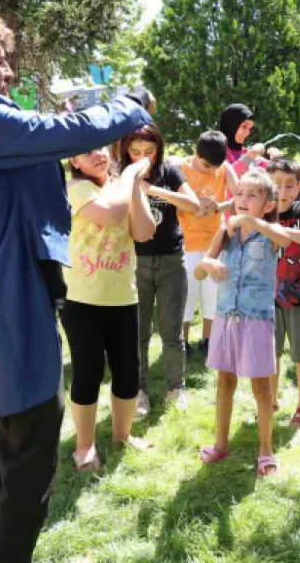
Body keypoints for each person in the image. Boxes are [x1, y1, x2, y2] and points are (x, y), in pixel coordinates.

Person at [0, 6, 152, 563]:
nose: (10, 73)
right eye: (2, 62)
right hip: (12, 301)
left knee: (2, 441)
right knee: (30, 462)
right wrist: (129, 106)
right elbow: (60, 132)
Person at [62, 144, 158, 472]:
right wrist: (131, 174)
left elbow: (144, 232)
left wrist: (129, 185)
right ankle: (84, 446)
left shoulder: (122, 186)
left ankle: (122, 435)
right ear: (74, 160)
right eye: (85, 152)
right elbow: (110, 215)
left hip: (123, 297)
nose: (96, 155)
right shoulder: (75, 188)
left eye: (99, 148)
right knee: (88, 372)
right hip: (81, 298)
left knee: (127, 370)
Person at [196, 170, 296, 477]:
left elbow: (286, 239)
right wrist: (207, 263)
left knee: (262, 389)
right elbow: (200, 272)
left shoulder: (269, 233)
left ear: (267, 205)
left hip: (256, 320)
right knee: (225, 382)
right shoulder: (225, 232)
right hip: (226, 317)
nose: (242, 200)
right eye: (239, 194)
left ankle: (266, 450)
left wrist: (250, 222)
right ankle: (221, 444)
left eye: (252, 196)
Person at [114, 124, 200, 415]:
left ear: (158, 150)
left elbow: (194, 205)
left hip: (171, 261)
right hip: (135, 263)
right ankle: (139, 391)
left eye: (149, 152)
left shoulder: (169, 171)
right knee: (138, 333)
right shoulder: (118, 175)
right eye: (136, 152)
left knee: (172, 332)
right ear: (126, 150)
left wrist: (152, 189)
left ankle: (176, 388)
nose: (142, 158)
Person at [177, 131, 239, 358]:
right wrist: (193, 205)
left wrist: (217, 207)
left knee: (213, 294)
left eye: (216, 166)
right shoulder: (181, 169)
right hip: (186, 242)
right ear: (196, 152)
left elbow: (240, 198)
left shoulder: (225, 169)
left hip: (215, 242)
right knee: (187, 294)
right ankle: (181, 342)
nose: (212, 171)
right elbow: (171, 202)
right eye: (206, 165)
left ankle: (208, 340)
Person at [267, 158, 300, 428]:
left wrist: (275, 229)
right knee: (270, 353)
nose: (283, 191)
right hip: (267, 297)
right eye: (276, 184)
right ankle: (271, 401)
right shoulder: (264, 211)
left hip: (298, 296)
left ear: (299, 186)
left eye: (289, 185)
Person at [219, 103, 266, 176]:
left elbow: (271, 168)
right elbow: (227, 178)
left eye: (249, 128)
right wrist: (250, 156)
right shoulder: (216, 152)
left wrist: (275, 157)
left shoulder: (245, 152)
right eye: (244, 126)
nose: (247, 133)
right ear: (231, 125)